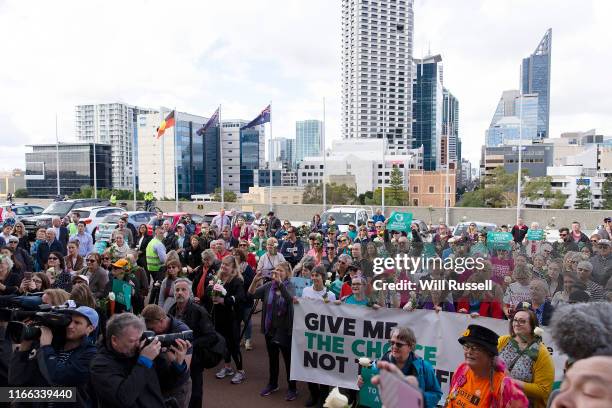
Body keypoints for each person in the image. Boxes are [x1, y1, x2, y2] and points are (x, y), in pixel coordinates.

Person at [90, 313, 190, 408]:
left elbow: (168, 384)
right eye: (132, 341)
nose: (138, 344)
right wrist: (144, 362)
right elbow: (123, 398)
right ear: (114, 340)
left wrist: (178, 364)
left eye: (140, 338)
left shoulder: (140, 352)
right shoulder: (100, 364)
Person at [8, 306, 99, 407]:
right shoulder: (52, 344)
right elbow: (16, 380)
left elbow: (58, 379)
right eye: (70, 321)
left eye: (77, 323)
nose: (70, 326)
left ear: (90, 328)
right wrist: (24, 348)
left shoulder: (91, 354)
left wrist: (46, 347)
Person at [248, 262, 298, 401]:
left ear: (287, 273)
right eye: (275, 270)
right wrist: (255, 280)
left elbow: (289, 300)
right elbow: (251, 295)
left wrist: (280, 284)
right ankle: (273, 383)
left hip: (285, 329)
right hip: (270, 328)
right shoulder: (269, 286)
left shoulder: (290, 286)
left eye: (280, 271)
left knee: (288, 360)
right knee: (273, 358)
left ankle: (292, 387)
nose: (276, 273)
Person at [358, 327, 442, 408]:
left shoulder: (424, 368)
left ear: (410, 347)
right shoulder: (378, 365)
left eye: (399, 344)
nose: (394, 346)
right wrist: (362, 382)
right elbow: (370, 389)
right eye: (392, 343)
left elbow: (436, 393)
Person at [446, 324, 528, 407]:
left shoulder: (503, 385)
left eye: (475, 348)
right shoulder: (462, 368)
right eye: (467, 347)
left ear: (489, 354)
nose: (469, 352)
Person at [168, 278, 221, 408]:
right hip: (177, 357)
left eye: (183, 290)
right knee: (178, 389)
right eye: (177, 290)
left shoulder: (199, 311)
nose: (180, 292)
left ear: (190, 293)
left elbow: (211, 336)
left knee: (195, 393)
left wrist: (190, 345)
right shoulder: (171, 310)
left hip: (195, 358)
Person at [498, 305, 555, 408]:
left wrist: (510, 382)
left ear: (532, 326)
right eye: (515, 320)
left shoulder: (541, 352)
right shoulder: (503, 340)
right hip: (497, 400)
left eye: (522, 321)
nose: (517, 324)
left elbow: (544, 390)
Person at [141, 304, 193, 408]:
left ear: (161, 321)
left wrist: (167, 351)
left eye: (152, 328)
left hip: (177, 388)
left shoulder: (182, 331)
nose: (152, 332)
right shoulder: (156, 329)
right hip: (160, 384)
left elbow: (185, 368)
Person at [211, 255, 246, 384]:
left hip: (231, 317)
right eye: (222, 264)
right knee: (223, 342)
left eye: (227, 265)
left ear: (233, 267)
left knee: (233, 344)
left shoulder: (237, 281)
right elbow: (212, 292)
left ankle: (241, 371)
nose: (223, 267)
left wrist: (223, 300)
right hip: (219, 315)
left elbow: (240, 297)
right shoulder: (218, 278)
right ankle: (227, 367)